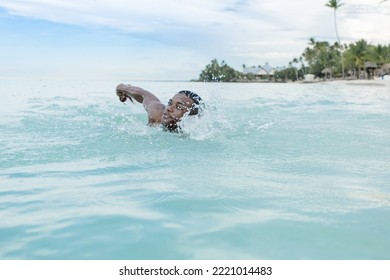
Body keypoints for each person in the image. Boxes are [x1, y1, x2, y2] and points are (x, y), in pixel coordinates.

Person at [116, 84, 203, 132]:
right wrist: (122, 89)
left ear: (191, 116)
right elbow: (143, 93)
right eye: (170, 103)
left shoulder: (197, 134)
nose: (169, 108)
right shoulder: (157, 114)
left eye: (179, 107)